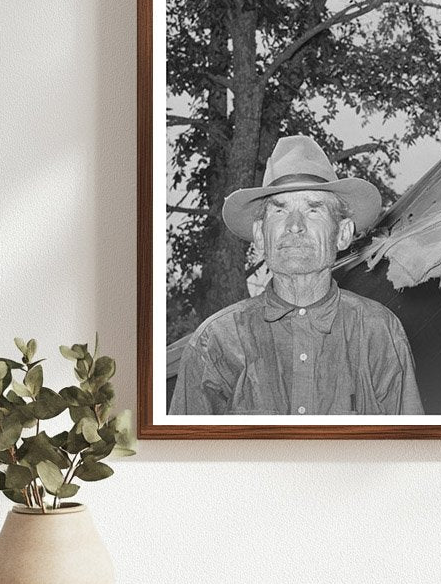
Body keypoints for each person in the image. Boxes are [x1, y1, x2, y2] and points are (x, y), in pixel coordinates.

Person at [170, 135, 423, 416]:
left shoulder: (379, 332)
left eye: (313, 209)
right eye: (280, 210)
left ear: (342, 234)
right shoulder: (215, 342)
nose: (294, 226)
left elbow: (408, 452)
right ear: (260, 236)